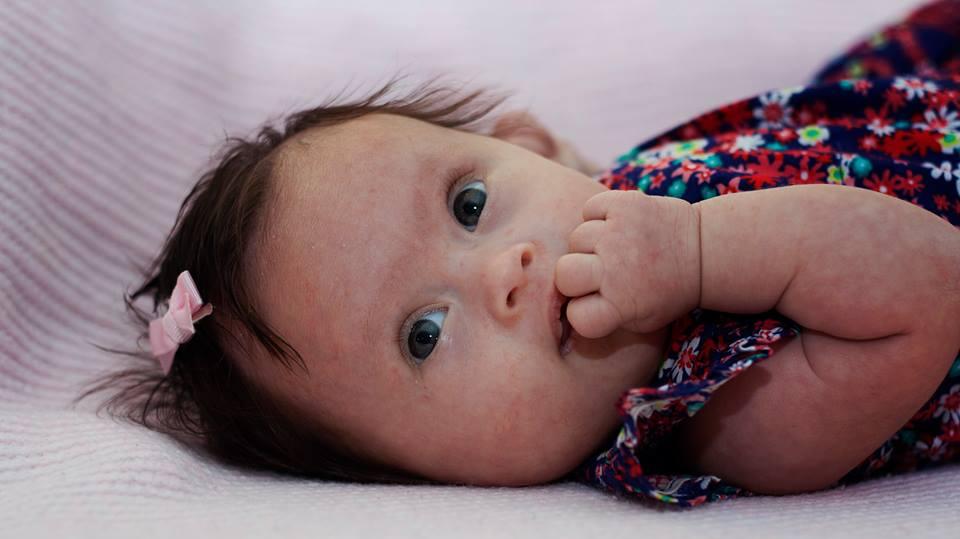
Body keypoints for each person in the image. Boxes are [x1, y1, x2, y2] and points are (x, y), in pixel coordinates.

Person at [79, 0, 960, 507]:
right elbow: (929, 288)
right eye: (423, 333)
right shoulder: (720, 416)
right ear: (420, 476)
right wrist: (696, 253)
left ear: (533, 147)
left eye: (470, 204)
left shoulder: (625, 186)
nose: (503, 273)